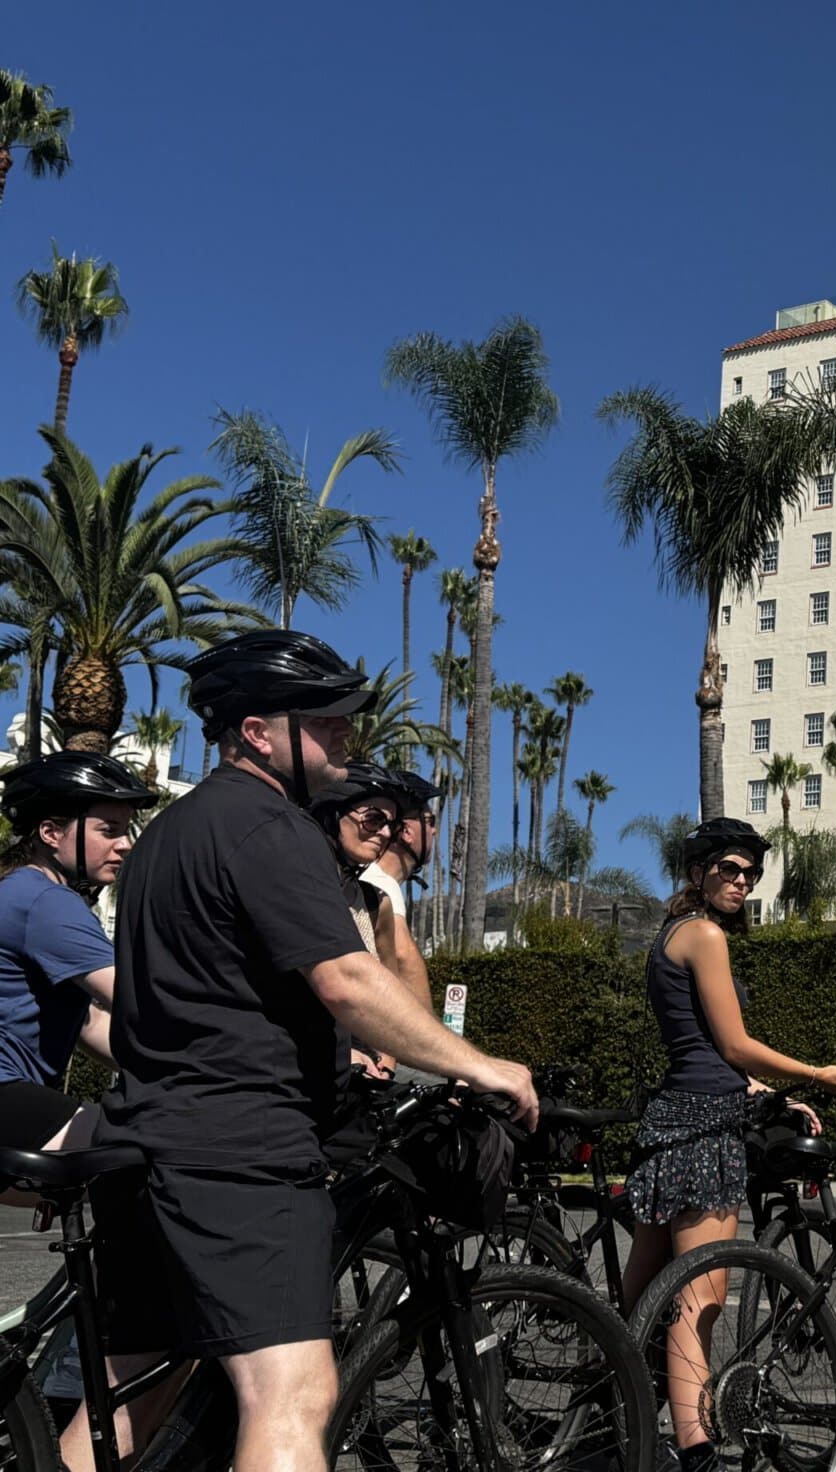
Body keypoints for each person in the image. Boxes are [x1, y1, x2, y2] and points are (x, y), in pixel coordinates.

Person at [90, 630, 539, 1472]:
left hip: (148, 1141)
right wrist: (480, 1063)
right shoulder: (270, 827)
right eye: (325, 717)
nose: (345, 733)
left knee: (131, 1394)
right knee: (294, 1396)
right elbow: (349, 982)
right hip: (242, 1151)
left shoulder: (165, 836)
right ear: (259, 733)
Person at [618, 816, 836, 1472]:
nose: (741, 882)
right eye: (728, 869)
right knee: (698, 1301)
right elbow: (730, 1045)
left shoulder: (672, 934)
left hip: (670, 1119)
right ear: (698, 872)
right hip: (704, 1128)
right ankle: (696, 1452)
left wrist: (763, 1092)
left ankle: (616, 1420)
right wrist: (816, 1072)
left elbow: (703, 1047)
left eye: (750, 874)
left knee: (642, 1296)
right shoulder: (704, 935)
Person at [0, 751, 157, 1155]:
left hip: (15, 1092)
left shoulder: (19, 889)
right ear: (51, 833)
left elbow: (89, 1024)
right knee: (158, 1146)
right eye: (109, 830)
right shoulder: (46, 901)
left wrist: (169, 1071)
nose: (125, 846)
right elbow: (138, 997)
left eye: (127, 831)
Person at [307, 762, 410, 1075]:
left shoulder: (376, 901)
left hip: (365, 1074)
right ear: (334, 815)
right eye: (374, 819)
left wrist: (387, 1063)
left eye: (393, 824)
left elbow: (391, 997)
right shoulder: (301, 888)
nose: (385, 832)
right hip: (310, 1062)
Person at [356, 767, 438, 1010]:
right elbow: (402, 958)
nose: (434, 830)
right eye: (429, 821)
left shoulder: (368, 875)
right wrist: (429, 1036)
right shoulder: (379, 882)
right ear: (406, 832)